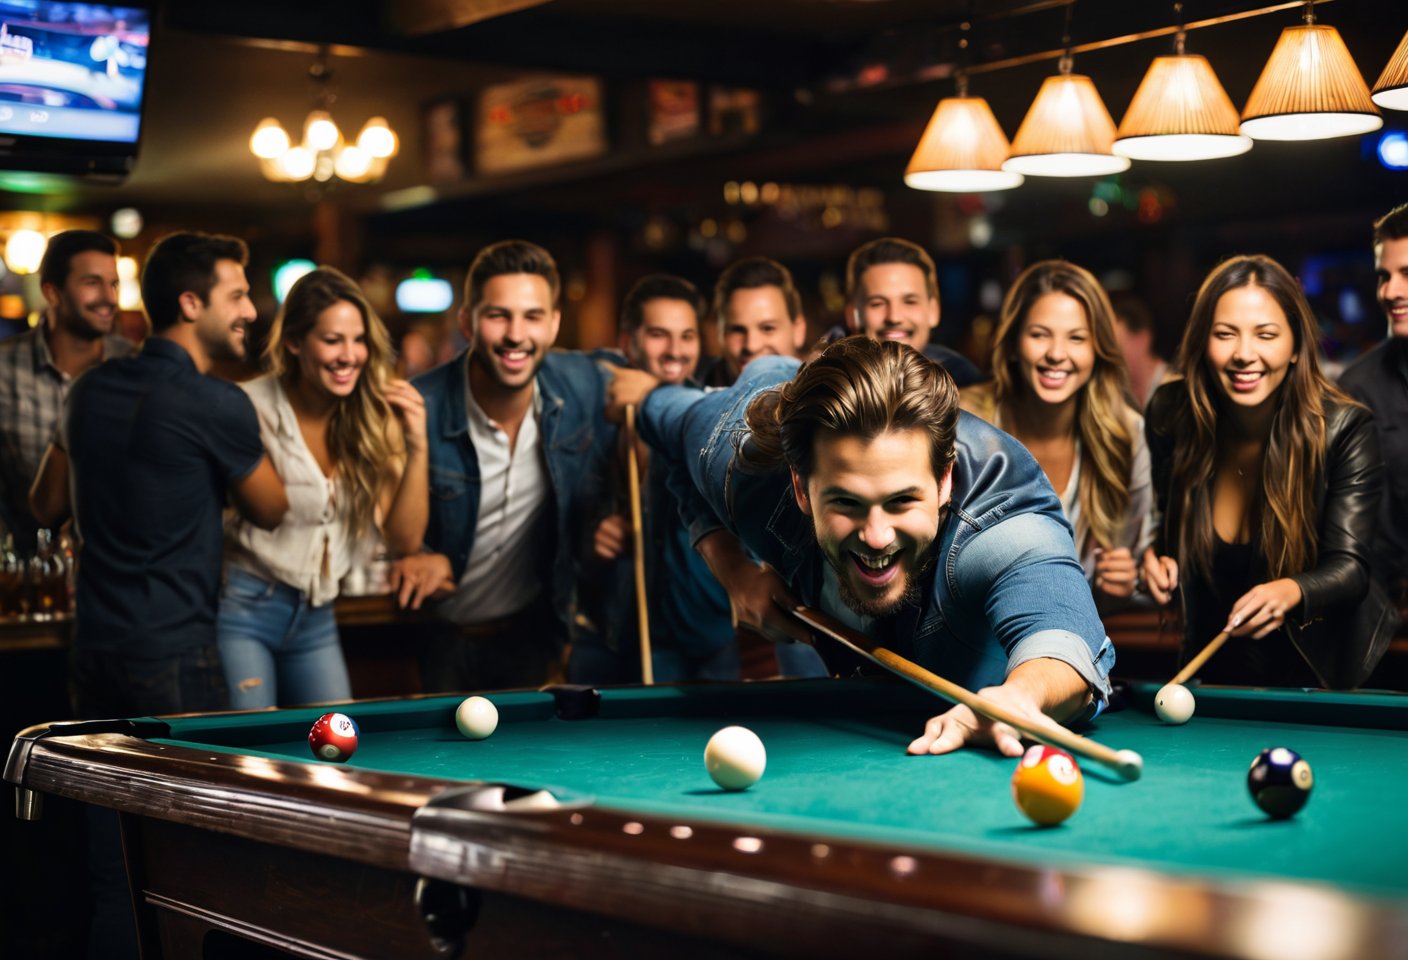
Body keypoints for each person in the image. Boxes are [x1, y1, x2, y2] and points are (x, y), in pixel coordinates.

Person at [624, 335, 1112, 756]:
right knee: (763, 376)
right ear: (800, 487)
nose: (876, 536)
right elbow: (662, 428)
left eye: (902, 501)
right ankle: (776, 367)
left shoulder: (999, 522)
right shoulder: (743, 463)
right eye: (847, 503)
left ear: (944, 481)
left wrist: (1020, 698)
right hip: (765, 401)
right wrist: (732, 568)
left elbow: (1062, 635)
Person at [29, 231, 288, 960]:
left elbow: (45, 505)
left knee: (112, 863)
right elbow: (272, 508)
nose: (249, 310)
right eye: (238, 295)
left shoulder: (88, 389)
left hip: (95, 650)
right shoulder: (217, 403)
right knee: (192, 865)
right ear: (190, 303)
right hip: (175, 656)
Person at [390, 239, 650, 693]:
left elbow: (653, 389)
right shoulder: (422, 405)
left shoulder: (583, 383)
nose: (516, 334)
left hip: (534, 635)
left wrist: (653, 394)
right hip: (437, 636)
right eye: (498, 315)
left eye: (532, 316)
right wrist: (419, 553)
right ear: (467, 323)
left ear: (553, 324)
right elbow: (389, 535)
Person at [1142, 254, 1389, 689]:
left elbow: (1350, 568)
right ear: (1203, 342)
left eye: (1266, 335)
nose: (1243, 354)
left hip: (1317, 679)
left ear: (1295, 346)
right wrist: (1156, 560)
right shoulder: (1172, 415)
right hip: (1211, 679)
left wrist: (1291, 590)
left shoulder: (1344, 429)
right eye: (1224, 334)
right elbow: (1167, 525)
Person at [218, 267, 429, 709]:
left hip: (318, 615)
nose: (349, 356)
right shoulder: (248, 407)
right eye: (332, 341)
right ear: (295, 342)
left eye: (358, 341)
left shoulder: (370, 416)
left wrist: (417, 445)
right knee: (249, 754)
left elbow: (405, 540)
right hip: (245, 608)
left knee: (337, 754)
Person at [573, 274, 740, 684]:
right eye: (659, 336)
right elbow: (560, 528)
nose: (675, 351)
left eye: (686, 337)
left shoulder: (711, 420)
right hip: (614, 635)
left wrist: (651, 396)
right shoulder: (589, 427)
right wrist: (595, 537)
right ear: (629, 343)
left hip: (707, 638)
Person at [959, 261, 1152, 610]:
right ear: (1015, 342)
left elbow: (1138, 568)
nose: (1056, 354)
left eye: (1076, 338)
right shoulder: (968, 424)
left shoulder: (1125, 434)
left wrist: (1125, 582)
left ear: (1097, 349)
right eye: (1039, 334)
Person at [0, 230, 134, 552]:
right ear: (53, 293)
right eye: (92, 283)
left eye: (113, 283)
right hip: (26, 571)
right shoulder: (4, 369)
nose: (109, 297)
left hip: (115, 568)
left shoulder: (133, 365)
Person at [1339, 203, 1408, 600]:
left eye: (1406, 275)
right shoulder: (1357, 387)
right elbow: (1362, 543)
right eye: (1384, 276)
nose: (1390, 291)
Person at [843, 237, 983, 386]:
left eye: (910, 302)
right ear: (852, 315)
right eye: (877, 303)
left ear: (933, 311)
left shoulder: (966, 381)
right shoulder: (825, 391)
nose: (894, 317)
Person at [699, 256, 808, 387]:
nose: (751, 346)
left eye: (768, 328)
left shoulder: (829, 397)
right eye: (738, 330)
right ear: (720, 335)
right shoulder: (693, 399)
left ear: (798, 331)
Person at [1111, 293, 1174, 411]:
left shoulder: (1177, 390)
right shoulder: (1115, 393)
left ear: (1143, 339)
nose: (1110, 355)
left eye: (1116, 346)